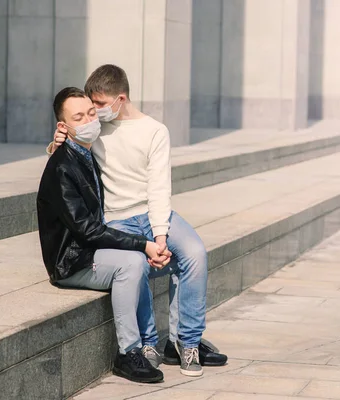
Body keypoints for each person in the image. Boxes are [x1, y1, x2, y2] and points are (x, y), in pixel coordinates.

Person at [48, 65, 227, 377]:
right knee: (137, 262)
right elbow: (67, 158)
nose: (94, 113)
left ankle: (186, 342)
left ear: (121, 98)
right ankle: (147, 343)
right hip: (116, 218)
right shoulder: (94, 127)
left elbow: (159, 188)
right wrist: (54, 144)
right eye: (90, 106)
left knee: (194, 253)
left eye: (99, 105)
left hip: (153, 213)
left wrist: (159, 237)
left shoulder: (155, 131)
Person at [37, 87, 174, 383]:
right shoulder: (62, 168)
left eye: (90, 112)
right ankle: (128, 353)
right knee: (133, 263)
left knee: (140, 259)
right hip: (71, 262)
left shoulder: (84, 153)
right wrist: (144, 244)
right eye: (78, 117)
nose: (88, 120)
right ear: (63, 126)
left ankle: (173, 340)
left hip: (89, 250)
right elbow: (87, 229)